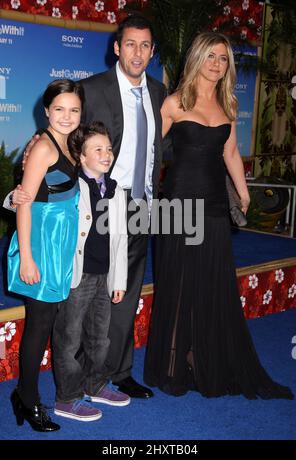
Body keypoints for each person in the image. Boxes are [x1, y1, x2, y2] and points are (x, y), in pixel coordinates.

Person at [144, 32, 294, 400]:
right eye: (210, 56)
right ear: (197, 58)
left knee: (212, 281)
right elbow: (148, 154)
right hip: (178, 205)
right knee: (178, 280)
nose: (216, 64)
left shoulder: (227, 103)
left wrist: (243, 194)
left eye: (223, 58)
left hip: (213, 205)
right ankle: (175, 364)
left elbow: (230, 153)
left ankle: (202, 357)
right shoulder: (175, 102)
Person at [79, 14, 166, 398]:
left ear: (152, 51)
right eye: (130, 44)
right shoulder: (92, 89)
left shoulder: (160, 92)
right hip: (104, 204)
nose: (137, 53)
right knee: (93, 291)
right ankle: (87, 372)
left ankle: (119, 370)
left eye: (145, 46)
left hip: (143, 204)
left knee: (127, 291)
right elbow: (66, 136)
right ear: (117, 47)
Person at [7, 79, 83, 432]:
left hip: (59, 241)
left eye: (74, 110)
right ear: (46, 111)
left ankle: (25, 394)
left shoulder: (69, 142)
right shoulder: (43, 148)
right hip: (39, 244)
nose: (66, 116)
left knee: (47, 321)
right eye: (59, 110)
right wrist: (26, 257)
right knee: (39, 326)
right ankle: (28, 398)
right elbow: (23, 205)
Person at [52, 122, 130, 421]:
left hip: (104, 275)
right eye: (97, 149)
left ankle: (95, 385)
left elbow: (121, 238)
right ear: (81, 157)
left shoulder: (116, 190)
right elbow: (37, 205)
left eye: (108, 148)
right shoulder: (70, 185)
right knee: (69, 338)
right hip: (77, 276)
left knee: (101, 337)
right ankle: (66, 398)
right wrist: (16, 197)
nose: (106, 154)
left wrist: (118, 280)